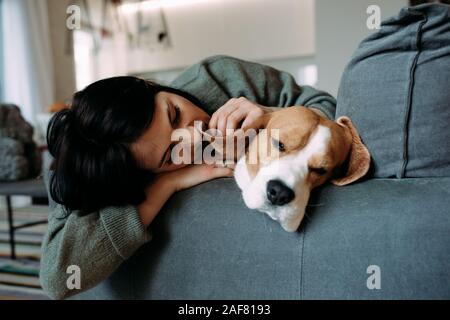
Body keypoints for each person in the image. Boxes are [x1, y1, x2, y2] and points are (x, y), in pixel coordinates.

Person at [40, 55, 336, 299]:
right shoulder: (123, 169)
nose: (194, 135)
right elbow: (57, 278)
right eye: (171, 154)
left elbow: (326, 106)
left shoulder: (221, 77)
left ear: (154, 87)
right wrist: (168, 183)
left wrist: (270, 114)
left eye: (175, 114)